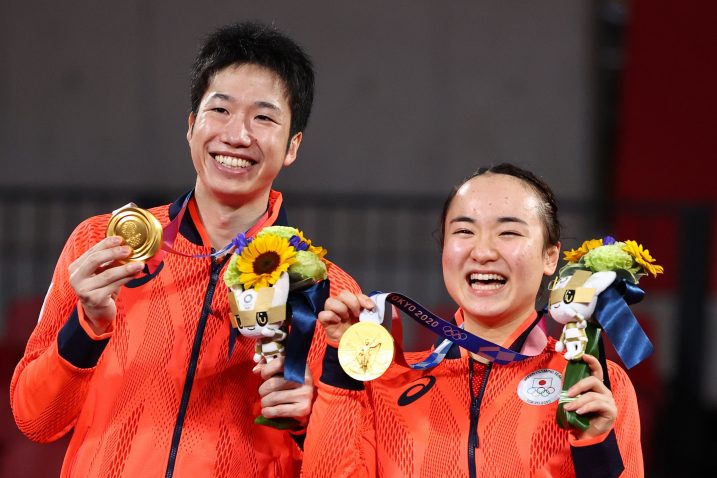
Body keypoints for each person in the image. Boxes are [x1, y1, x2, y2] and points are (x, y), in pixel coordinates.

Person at [10, 21, 359, 478]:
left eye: (264, 117)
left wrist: (310, 418)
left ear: (292, 145)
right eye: (220, 110)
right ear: (192, 126)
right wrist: (86, 327)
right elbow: (36, 420)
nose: (237, 135)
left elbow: (345, 466)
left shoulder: (326, 294)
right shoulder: (103, 245)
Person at [303, 164, 643, 477]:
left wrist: (595, 448)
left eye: (508, 233)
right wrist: (340, 369)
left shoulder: (593, 384)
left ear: (550, 256)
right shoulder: (387, 383)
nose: (482, 251)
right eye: (464, 231)